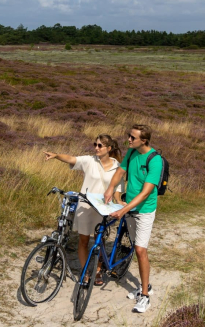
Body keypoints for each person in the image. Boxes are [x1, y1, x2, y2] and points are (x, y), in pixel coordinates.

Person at [44, 134, 124, 286]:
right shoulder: (89, 160)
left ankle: (98, 270)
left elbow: (117, 190)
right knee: (83, 240)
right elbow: (72, 159)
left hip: (103, 208)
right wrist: (56, 156)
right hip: (86, 206)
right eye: (95, 144)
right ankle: (85, 270)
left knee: (99, 241)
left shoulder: (117, 167)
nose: (96, 148)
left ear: (109, 148)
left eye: (100, 145)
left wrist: (120, 203)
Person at [104, 124, 159, 313]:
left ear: (143, 140)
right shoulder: (131, 152)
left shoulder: (155, 160)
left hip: (144, 210)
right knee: (136, 246)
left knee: (140, 250)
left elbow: (145, 193)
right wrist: (111, 188)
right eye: (129, 136)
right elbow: (120, 172)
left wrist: (123, 209)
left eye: (132, 137)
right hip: (130, 207)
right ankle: (146, 285)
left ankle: (144, 295)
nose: (128, 139)